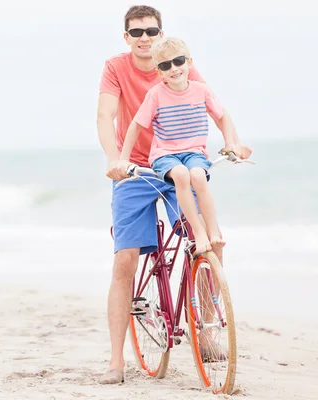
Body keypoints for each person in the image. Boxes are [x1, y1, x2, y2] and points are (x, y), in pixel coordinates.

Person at [96, 5, 251, 385]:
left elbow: (214, 109)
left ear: (161, 33)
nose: (145, 38)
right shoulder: (116, 67)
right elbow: (106, 117)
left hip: (178, 163)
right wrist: (115, 161)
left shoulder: (176, 62)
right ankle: (116, 360)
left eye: (151, 31)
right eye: (137, 33)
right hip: (134, 169)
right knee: (125, 261)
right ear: (127, 37)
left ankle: (206, 330)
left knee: (207, 244)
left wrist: (233, 142)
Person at [120, 36, 248, 253]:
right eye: (165, 65)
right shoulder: (156, 94)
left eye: (178, 61)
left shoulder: (201, 90)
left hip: (194, 153)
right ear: (159, 72)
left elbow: (222, 117)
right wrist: (123, 159)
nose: (174, 68)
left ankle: (212, 231)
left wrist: (231, 144)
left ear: (189, 62)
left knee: (198, 176)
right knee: (180, 175)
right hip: (165, 155)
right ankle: (198, 233)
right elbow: (135, 126)